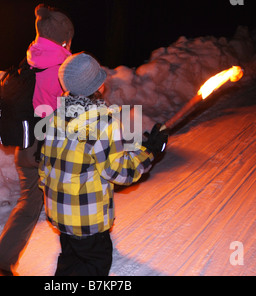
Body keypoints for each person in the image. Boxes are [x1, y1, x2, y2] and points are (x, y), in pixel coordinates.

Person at [38, 52, 168, 276]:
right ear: (96, 84)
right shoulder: (101, 122)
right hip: (86, 219)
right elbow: (119, 171)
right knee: (94, 266)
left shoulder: (56, 116)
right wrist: (150, 153)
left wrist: (135, 145)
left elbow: (47, 163)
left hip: (59, 211)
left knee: (71, 261)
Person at [0, 4, 74, 276]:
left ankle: (2, 261)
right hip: (47, 150)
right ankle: (81, 255)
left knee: (30, 203)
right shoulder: (61, 69)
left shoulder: (31, 60)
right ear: (63, 39)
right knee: (70, 199)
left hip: (25, 147)